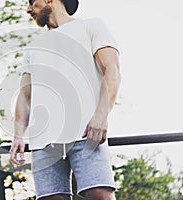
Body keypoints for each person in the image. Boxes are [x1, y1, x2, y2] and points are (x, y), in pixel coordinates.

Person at [10, 0, 121, 199]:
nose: (28, 10)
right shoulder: (33, 47)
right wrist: (18, 135)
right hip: (43, 143)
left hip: (86, 134)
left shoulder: (91, 26)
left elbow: (111, 71)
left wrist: (101, 116)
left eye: (32, 3)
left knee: (100, 196)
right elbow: (25, 95)